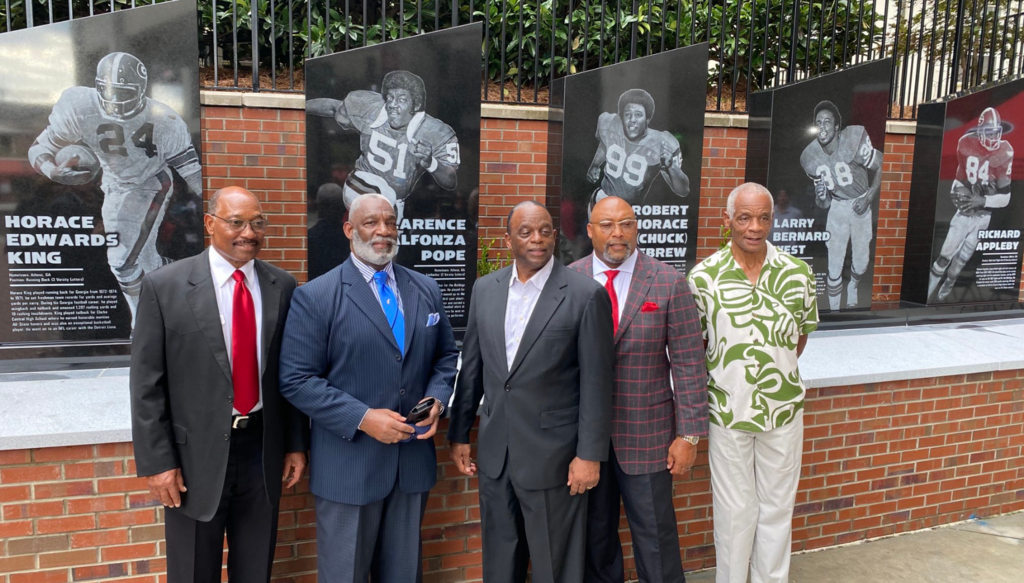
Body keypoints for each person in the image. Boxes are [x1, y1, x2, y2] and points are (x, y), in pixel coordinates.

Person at [129, 186, 309, 583]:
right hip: (192, 459)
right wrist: (159, 463)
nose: (249, 233)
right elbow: (146, 384)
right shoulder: (165, 286)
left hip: (262, 451)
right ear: (210, 223)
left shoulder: (283, 285)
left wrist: (295, 443)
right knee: (193, 571)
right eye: (237, 222)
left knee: (255, 570)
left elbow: (289, 373)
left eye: (257, 223)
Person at [278, 193, 459, 583]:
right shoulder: (316, 296)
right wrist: (362, 417)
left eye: (390, 222)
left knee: (404, 575)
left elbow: (446, 356)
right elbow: (296, 379)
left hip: (411, 465)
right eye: (371, 222)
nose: (383, 231)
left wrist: (437, 398)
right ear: (349, 230)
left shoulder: (426, 288)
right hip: (350, 467)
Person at [448, 201, 615, 583]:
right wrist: (459, 433)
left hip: (555, 459)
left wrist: (589, 455)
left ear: (555, 236)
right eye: (525, 232)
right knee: (499, 563)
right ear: (508, 240)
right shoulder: (485, 289)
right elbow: (473, 367)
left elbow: (597, 383)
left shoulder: (585, 294)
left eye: (544, 231)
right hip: (496, 456)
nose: (537, 239)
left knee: (554, 567)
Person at [569, 195, 708, 583]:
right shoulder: (569, 280)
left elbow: (689, 364)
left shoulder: (668, 281)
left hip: (649, 437)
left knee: (656, 539)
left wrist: (689, 435)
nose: (618, 233)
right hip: (585, 440)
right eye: (607, 225)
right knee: (595, 538)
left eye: (626, 224)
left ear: (636, 228)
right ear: (590, 231)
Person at [687, 183, 818, 583]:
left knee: (778, 508)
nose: (755, 227)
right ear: (727, 220)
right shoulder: (702, 278)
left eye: (763, 218)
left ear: (772, 219)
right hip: (727, 412)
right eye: (744, 218)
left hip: (783, 410)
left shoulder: (798, 273)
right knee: (733, 512)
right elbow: (699, 347)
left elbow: (799, 338)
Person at [29, 51, 203, 327]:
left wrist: (216, 203)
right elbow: (41, 147)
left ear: (141, 90)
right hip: (112, 184)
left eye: (124, 93)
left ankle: (141, 323)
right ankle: (189, 278)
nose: (115, 100)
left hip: (148, 183)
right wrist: (53, 171)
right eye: (109, 90)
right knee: (144, 260)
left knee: (122, 261)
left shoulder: (165, 120)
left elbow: (191, 170)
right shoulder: (79, 104)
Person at [306, 70, 460, 222]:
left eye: (401, 99)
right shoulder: (371, 109)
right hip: (360, 184)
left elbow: (450, 180)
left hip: (396, 205)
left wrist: (431, 162)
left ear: (416, 104)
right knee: (380, 200)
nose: (393, 104)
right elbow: (333, 108)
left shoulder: (435, 131)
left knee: (386, 223)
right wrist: (300, 106)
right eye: (390, 98)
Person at [799, 100, 882, 310]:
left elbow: (882, 165)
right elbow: (824, 203)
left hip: (860, 203)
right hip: (837, 206)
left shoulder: (853, 140)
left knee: (861, 263)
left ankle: (853, 285)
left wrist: (869, 197)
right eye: (818, 122)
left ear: (837, 126)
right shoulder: (810, 156)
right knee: (834, 264)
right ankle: (834, 310)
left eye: (827, 122)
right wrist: (821, 196)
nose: (822, 126)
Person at [929, 106, 1014, 301]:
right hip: (966, 211)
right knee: (944, 257)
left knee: (960, 261)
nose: (993, 137)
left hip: (984, 215)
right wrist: (955, 191)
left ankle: (950, 282)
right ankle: (926, 296)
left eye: (996, 132)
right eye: (989, 132)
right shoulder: (966, 143)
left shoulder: (1005, 151)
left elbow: (1005, 198)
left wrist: (982, 200)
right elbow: (959, 179)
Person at [587, 88, 689, 210]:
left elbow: (683, 190)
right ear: (621, 117)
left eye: (638, 115)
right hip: (602, 198)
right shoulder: (609, 122)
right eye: (627, 114)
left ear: (647, 119)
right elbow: (606, 141)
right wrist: (595, 164)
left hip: (631, 210)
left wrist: (671, 166)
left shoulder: (661, 142)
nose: (632, 120)